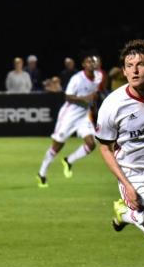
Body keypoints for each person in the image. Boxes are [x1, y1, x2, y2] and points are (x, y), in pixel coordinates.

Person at [96, 39, 144, 246]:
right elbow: (105, 148)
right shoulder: (112, 105)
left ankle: (124, 214)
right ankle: (126, 213)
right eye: (129, 66)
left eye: (140, 64)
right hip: (134, 175)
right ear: (123, 71)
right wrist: (126, 184)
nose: (135, 71)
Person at [36, 53, 102, 187]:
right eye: (88, 62)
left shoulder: (99, 77)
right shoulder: (77, 78)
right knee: (57, 145)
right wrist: (85, 98)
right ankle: (42, 173)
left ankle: (69, 160)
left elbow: (94, 95)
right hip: (69, 115)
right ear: (84, 65)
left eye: (93, 62)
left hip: (83, 116)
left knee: (91, 144)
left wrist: (93, 106)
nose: (91, 64)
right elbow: (68, 97)